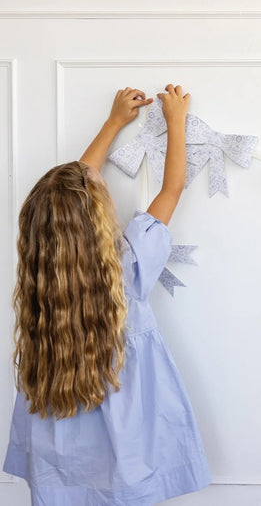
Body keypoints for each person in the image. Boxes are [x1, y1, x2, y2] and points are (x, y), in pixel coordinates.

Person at [3, 85, 211, 505]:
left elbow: (75, 188)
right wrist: (176, 121)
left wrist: (114, 122)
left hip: (59, 452)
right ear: (97, 214)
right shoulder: (128, 265)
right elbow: (171, 189)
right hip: (126, 438)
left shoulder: (44, 284)